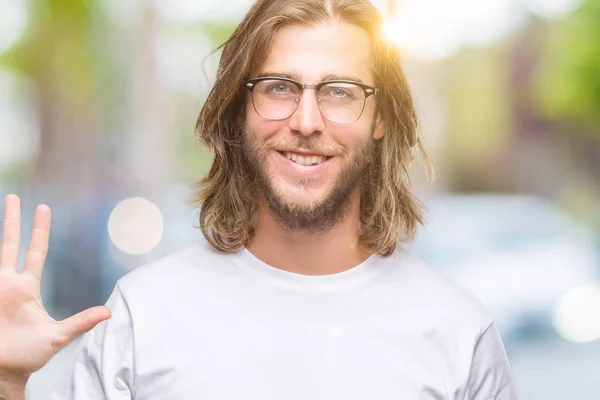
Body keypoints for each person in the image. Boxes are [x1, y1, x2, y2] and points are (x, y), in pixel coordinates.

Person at [0, 0, 519, 399]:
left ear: (381, 118)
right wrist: (7, 383)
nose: (307, 121)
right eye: (279, 87)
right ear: (238, 110)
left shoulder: (461, 333)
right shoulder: (142, 317)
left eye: (339, 91)